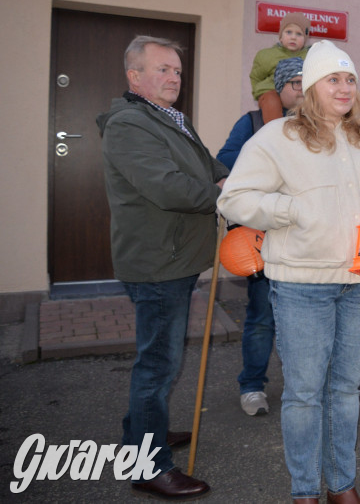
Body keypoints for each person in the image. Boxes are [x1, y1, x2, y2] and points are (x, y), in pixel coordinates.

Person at [218, 40, 360, 504]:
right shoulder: (277, 136)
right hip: (302, 285)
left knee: (345, 389)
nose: (344, 88)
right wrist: (291, 209)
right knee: (304, 394)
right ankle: (305, 491)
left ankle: (341, 485)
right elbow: (233, 199)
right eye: (332, 79)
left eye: (349, 79)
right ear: (311, 87)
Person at [97, 35, 228, 500]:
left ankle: (141, 436)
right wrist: (229, 197)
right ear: (135, 76)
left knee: (158, 358)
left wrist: (239, 179)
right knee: (158, 364)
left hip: (175, 258)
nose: (174, 77)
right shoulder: (129, 124)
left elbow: (210, 168)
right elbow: (169, 187)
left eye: (176, 69)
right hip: (157, 263)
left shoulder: (169, 118)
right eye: (162, 70)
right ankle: (150, 465)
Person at [217, 57, 303, 417]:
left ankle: (304, 388)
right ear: (280, 88)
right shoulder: (252, 122)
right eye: (295, 83)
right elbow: (223, 164)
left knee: (303, 318)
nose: (302, 90)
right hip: (262, 239)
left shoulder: (320, 123)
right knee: (262, 316)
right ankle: (252, 386)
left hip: (302, 239)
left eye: (306, 83)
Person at [249, 12, 310, 124]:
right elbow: (256, 77)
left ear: (305, 39)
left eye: (299, 34)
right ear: (281, 36)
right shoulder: (267, 55)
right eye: (288, 32)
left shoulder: (310, 56)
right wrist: (259, 93)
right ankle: (274, 133)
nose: (293, 37)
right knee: (271, 102)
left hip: (299, 93)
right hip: (272, 92)